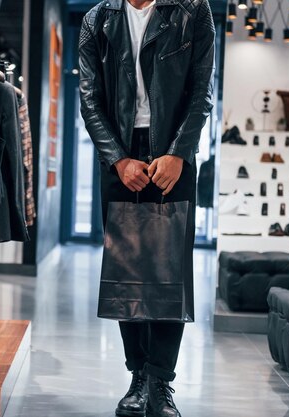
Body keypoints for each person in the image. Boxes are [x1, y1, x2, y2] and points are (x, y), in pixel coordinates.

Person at [79, 0, 215, 416]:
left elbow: (201, 90)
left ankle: (161, 382)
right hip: (119, 157)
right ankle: (137, 377)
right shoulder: (98, 19)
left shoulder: (192, 11)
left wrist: (178, 153)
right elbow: (89, 96)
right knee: (128, 271)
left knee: (168, 272)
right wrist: (117, 158)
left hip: (171, 156)